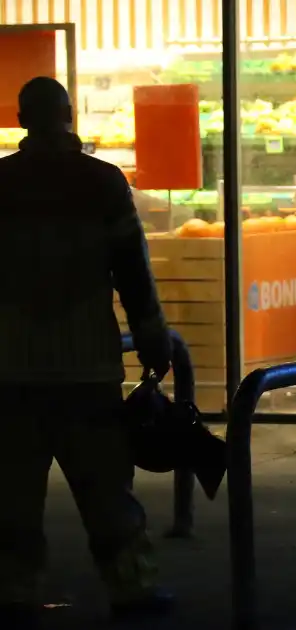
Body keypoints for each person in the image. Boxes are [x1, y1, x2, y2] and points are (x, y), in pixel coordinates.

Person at [0, 77, 175, 629]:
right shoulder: (102, 183)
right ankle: (131, 588)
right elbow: (133, 271)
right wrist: (151, 337)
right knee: (106, 490)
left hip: (10, 367)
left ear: (24, 119)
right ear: (69, 115)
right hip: (87, 366)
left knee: (11, 495)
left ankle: (13, 591)